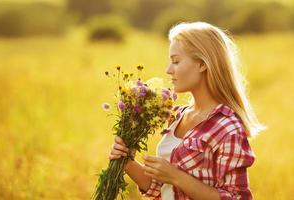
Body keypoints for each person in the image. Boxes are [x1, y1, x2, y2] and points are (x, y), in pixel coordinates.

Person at [109, 21, 265, 200]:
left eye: (176, 61)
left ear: (202, 64)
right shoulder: (178, 116)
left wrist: (176, 176)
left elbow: (237, 197)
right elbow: (163, 190)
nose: (168, 70)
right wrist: (127, 162)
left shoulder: (227, 128)